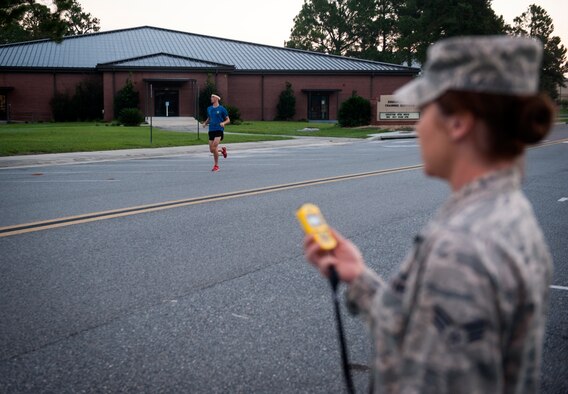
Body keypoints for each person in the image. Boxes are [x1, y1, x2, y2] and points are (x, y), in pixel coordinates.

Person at [303, 35, 555, 393]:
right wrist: (358, 276)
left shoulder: (465, 247)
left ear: (458, 123)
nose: (418, 126)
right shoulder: (504, 215)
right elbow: (424, 334)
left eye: (425, 111)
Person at [202, 94, 230, 172]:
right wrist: (205, 123)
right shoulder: (209, 108)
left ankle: (216, 165)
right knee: (211, 150)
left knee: (214, 147)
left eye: (212, 97)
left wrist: (224, 123)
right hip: (211, 130)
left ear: (217, 98)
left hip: (219, 130)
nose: (211, 98)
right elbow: (209, 117)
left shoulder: (222, 109)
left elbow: (228, 120)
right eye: (211, 97)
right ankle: (222, 150)